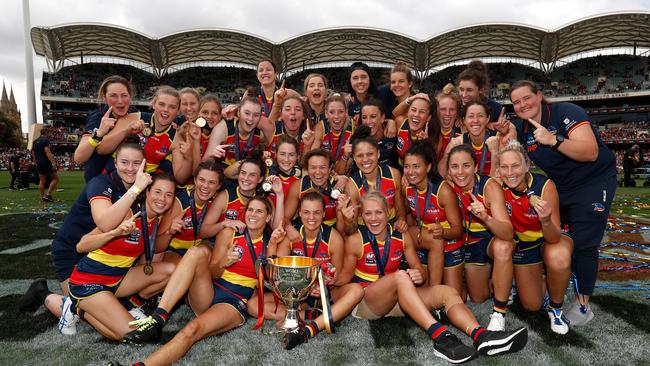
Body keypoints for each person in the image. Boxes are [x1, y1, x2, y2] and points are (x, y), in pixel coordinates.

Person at [338, 191, 528, 363]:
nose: (373, 219)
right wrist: (326, 280)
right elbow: (344, 279)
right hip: (367, 303)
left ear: (388, 213)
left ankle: (482, 336)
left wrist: (417, 275)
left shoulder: (401, 237)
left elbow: (419, 271)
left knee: (447, 292)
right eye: (368, 214)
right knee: (400, 277)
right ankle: (442, 339)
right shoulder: (356, 239)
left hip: (397, 299)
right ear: (362, 216)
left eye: (378, 212)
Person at [121, 197, 286, 366]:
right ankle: (159, 317)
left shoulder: (275, 240)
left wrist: (272, 244)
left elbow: (272, 280)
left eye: (259, 211)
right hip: (210, 290)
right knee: (195, 252)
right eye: (250, 210)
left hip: (233, 301)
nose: (253, 214)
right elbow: (213, 272)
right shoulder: (229, 233)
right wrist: (225, 262)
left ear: (268, 217)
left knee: (192, 330)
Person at [509, 80, 617, 326]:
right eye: (516, 102)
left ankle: (582, 306)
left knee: (583, 242)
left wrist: (553, 140)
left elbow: (591, 152)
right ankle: (550, 287)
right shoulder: (522, 129)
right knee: (552, 236)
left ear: (539, 96)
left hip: (593, 180)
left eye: (527, 98)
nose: (522, 105)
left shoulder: (567, 112)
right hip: (562, 185)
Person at [18, 143, 154, 331]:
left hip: (100, 252)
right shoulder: (102, 183)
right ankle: (42, 294)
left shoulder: (141, 187)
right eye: (124, 162)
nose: (130, 168)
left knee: (104, 305)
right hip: (72, 249)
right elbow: (105, 223)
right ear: (115, 163)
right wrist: (135, 190)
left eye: (136, 163)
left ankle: (122, 305)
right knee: (81, 312)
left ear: (143, 166)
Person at [248, 191, 365, 350]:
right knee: (253, 305)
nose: (311, 217)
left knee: (357, 291)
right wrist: (273, 245)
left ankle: (310, 329)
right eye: (306, 212)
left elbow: (340, 274)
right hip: (297, 294)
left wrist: (326, 283)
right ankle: (308, 315)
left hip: (325, 293)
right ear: (300, 214)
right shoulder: (291, 235)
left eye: (317, 212)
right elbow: (274, 274)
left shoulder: (334, 238)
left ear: (324, 214)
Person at [496, 141, 573, 334]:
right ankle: (542, 280)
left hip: (548, 240)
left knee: (559, 256)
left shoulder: (545, 186)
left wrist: (546, 220)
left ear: (527, 165)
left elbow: (554, 237)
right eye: (504, 167)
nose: (510, 172)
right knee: (531, 305)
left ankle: (556, 308)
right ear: (498, 170)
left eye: (515, 166)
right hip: (524, 248)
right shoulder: (497, 188)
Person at [446, 144, 515, 331]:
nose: (460, 172)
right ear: (448, 170)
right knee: (478, 297)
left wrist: (486, 217)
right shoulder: (449, 186)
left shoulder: (489, 186)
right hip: (468, 244)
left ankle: (499, 312)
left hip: (489, 239)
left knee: (503, 247)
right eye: (454, 167)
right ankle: (499, 280)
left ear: (476, 167)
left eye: (466, 165)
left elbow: (508, 234)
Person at [402, 141, 464, 290]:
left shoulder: (444, 191)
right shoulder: (407, 187)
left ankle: (448, 286)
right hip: (425, 241)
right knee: (422, 289)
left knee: (456, 295)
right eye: (406, 166)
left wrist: (443, 232)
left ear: (428, 167)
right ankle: (433, 289)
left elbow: (458, 230)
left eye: (416, 166)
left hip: (449, 243)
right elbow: (406, 212)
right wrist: (401, 221)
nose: (410, 172)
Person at [73, 75, 140, 183]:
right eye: (113, 96)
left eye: (124, 95)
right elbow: (79, 158)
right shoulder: (97, 117)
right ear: (104, 97)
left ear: (130, 96)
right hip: (98, 182)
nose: (120, 101)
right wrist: (99, 134)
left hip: (127, 183)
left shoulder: (135, 114)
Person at [344, 126, 407, 234]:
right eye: (360, 156)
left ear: (378, 153)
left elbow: (399, 209)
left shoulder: (394, 174)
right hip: (365, 229)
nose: (365, 159)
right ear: (354, 158)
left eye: (370, 154)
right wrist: (348, 220)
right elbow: (351, 230)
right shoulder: (352, 185)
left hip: (390, 225)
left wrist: (401, 221)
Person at [162, 159, 224, 263]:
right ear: (194, 180)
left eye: (212, 182)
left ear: (218, 186)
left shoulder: (217, 201)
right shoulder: (179, 201)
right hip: (173, 251)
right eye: (201, 180)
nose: (205, 186)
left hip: (197, 251)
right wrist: (169, 232)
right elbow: (157, 245)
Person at [204, 91, 268, 179]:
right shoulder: (223, 128)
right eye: (247, 113)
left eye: (256, 115)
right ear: (238, 113)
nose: (250, 119)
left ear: (260, 117)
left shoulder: (260, 134)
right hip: (222, 177)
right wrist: (212, 155)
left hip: (245, 176)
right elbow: (204, 163)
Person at [284, 149, 348, 232]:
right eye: (313, 167)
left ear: (330, 169)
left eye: (322, 167)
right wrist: (290, 229)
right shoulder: (299, 186)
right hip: (305, 227)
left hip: (333, 230)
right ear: (307, 169)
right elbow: (285, 218)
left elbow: (345, 228)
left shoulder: (341, 185)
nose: (318, 172)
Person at [438, 101, 500, 178]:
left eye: (480, 116)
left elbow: (498, 180)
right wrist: (447, 153)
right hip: (467, 186)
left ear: (487, 119)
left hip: (492, 186)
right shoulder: (458, 142)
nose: (475, 120)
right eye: (471, 116)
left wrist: (495, 153)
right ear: (464, 120)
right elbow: (441, 176)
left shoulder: (499, 139)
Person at [360, 98, 398, 169]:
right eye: (364, 117)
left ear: (382, 118)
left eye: (373, 116)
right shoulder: (359, 139)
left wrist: (391, 121)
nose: (368, 121)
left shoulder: (393, 131)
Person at [395, 95, 433, 166]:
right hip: (399, 170)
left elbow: (433, 167)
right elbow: (393, 114)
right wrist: (410, 99)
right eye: (413, 110)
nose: (416, 114)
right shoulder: (400, 122)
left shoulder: (432, 136)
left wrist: (426, 145)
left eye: (422, 112)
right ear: (408, 112)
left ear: (428, 117)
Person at [321, 94, 353, 174]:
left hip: (346, 177)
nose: (336, 116)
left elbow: (341, 172)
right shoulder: (320, 128)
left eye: (341, 112)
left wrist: (345, 156)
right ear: (326, 113)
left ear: (346, 112)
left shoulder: (353, 127)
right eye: (332, 112)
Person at [32, 128, 58, 202]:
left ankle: (42, 197)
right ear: (46, 133)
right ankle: (48, 194)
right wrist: (53, 162)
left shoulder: (35, 141)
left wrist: (35, 162)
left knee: (42, 180)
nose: (49, 134)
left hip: (39, 162)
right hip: (46, 162)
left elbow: (33, 153)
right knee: (55, 178)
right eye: (49, 133)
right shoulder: (46, 141)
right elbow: (47, 152)